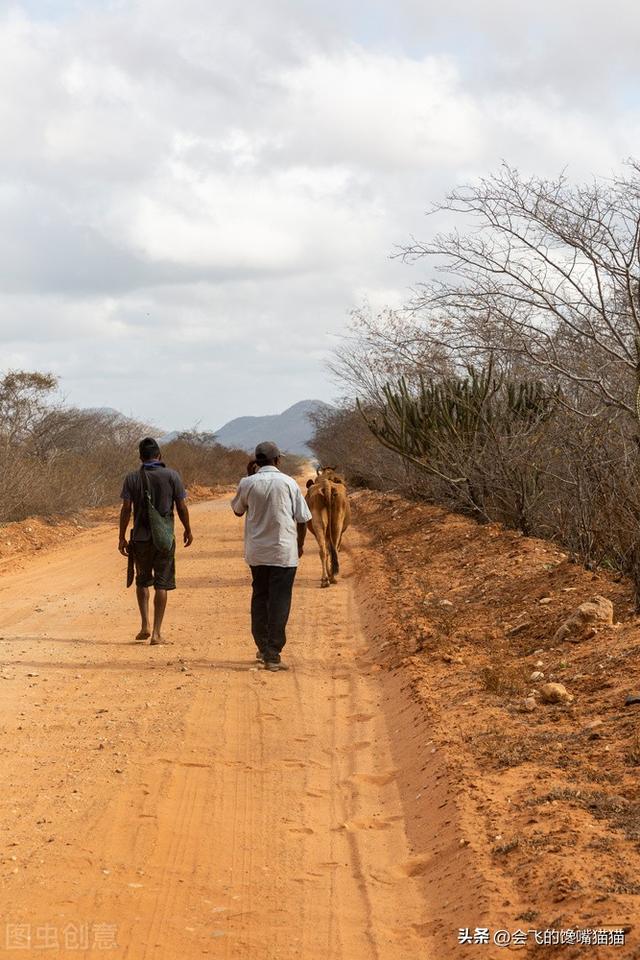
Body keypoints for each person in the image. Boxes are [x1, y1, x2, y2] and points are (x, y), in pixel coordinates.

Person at [231, 441, 311, 672]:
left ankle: (263, 647)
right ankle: (273, 653)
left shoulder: (247, 483)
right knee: (280, 600)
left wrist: (248, 477)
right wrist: (299, 544)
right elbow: (302, 518)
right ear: (277, 460)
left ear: (256, 462)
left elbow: (238, 510)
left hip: (258, 553)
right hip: (283, 552)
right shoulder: (288, 483)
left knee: (260, 597)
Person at [119, 437, 193, 644]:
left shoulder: (132, 478)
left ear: (140, 457)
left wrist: (121, 537)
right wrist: (187, 529)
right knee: (162, 583)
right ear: (159, 456)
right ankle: (157, 633)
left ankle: (144, 624)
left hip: (140, 538)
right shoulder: (172, 476)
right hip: (164, 538)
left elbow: (126, 509)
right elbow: (181, 506)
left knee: (142, 580)